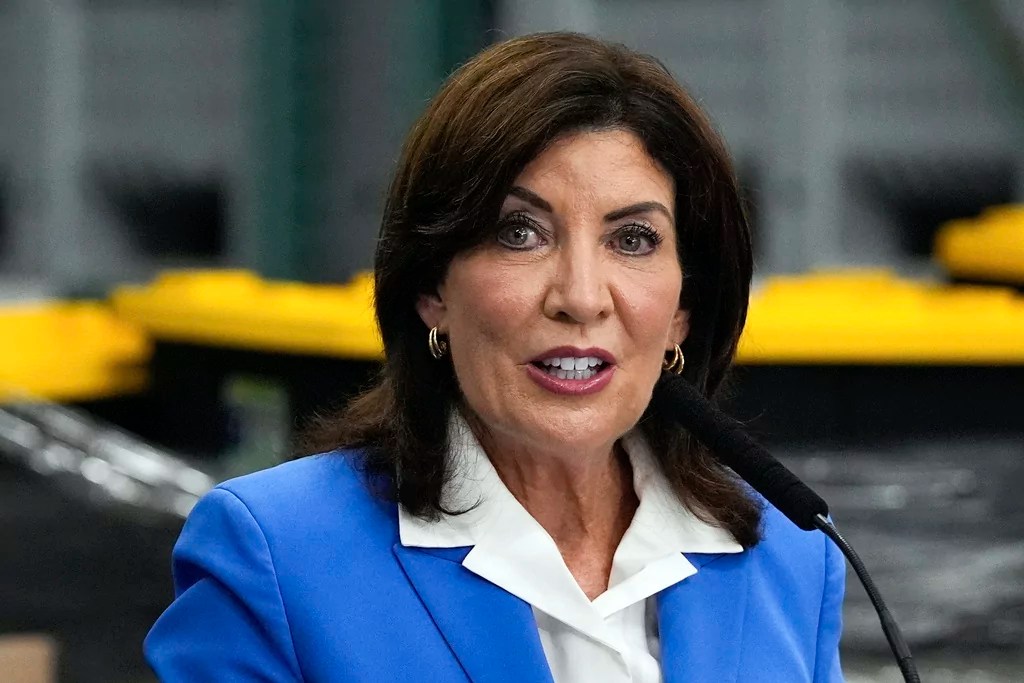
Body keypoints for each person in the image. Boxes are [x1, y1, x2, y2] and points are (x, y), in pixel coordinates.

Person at [145, 32, 844, 682]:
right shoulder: (276, 553)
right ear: (432, 290)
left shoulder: (791, 555)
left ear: (683, 310)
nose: (580, 296)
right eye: (520, 232)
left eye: (633, 240)